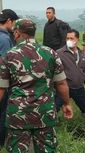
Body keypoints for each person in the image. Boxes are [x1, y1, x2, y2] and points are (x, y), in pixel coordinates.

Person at [0, 18, 73, 153]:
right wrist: (67, 103)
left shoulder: (9, 55)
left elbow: (1, 88)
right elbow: (61, 83)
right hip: (44, 112)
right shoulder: (50, 53)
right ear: (33, 33)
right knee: (47, 149)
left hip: (18, 115)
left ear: (16, 33)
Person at [56, 29, 85, 128]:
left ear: (77, 40)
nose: (69, 40)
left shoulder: (81, 54)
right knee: (54, 107)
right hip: (64, 88)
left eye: (72, 38)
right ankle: (50, 129)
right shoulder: (59, 53)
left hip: (79, 88)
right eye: (67, 38)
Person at [0, 9, 19, 148]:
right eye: (14, 23)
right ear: (8, 21)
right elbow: (5, 66)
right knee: (3, 113)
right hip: (2, 83)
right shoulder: (5, 39)